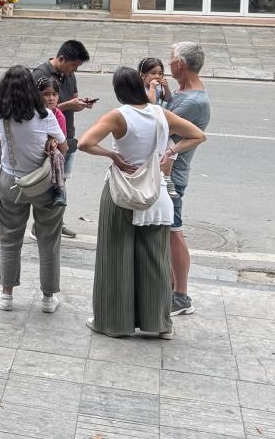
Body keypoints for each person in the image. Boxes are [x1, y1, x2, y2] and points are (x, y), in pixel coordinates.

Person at [77, 66, 206, 339]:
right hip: (156, 194)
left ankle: (114, 322)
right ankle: (161, 324)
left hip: (122, 192)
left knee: (116, 258)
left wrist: (112, 156)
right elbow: (198, 135)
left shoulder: (118, 116)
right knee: (156, 260)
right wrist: (171, 150)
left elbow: (85, 143)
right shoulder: (161, 114)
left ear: (118, 90)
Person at [0, 66, 68, 314]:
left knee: (10, 239)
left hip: (10, 181)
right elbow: (64, 148)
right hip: (44, 184)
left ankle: (6, 294)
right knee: (49, 240)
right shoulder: (45, 115)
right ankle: (48, 298)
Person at [163, 42, 211, 317]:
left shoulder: (193, 102)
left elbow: (158, 123)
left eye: (171, 60)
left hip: (173, 177)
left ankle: (181, 296)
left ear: (180, 64)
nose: (168, 64)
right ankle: (171, 288)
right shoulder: (182, 93)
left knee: (174, 232)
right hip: (166, 172)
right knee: (168, 231)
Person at [0, 77, 66, 208]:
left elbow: (62, 141)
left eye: (54, 94)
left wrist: (52, 139)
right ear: (35, 94)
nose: (51, 98)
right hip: (34, 168)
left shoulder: (55, 115)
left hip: (43, 156)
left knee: (58, 157)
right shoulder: (32, 112)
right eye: (46, 94)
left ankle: (58, 189)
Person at [32, 40, 93, 237]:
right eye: (73, 65)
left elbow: (73, 97)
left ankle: (57, 222)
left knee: (61, 183)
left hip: (67, 135)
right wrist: (68, 105)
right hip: (47, 139)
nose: (74, 70)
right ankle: (39, 226)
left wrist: (80, 104)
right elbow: (35, 110)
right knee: (47, 184)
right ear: (61, 59)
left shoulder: (69, 74)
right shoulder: (40, 75)